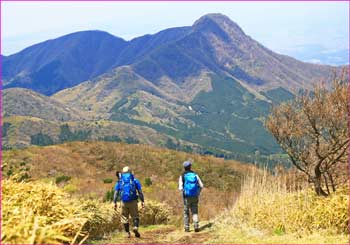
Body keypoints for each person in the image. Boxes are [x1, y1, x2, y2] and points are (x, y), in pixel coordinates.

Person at [114, 166, 145, 238]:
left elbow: (116, 193)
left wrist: (115, 202)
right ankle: (135, 227)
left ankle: (127, 233)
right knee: (135, 216)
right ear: (130, 172)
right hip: (133, 201)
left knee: (124, 218)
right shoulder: (134, 180)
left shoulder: (120, 181)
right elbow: (140, 192)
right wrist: (142, 201)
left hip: (123, 202)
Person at [178, 160, 204, 232]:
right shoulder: (195, 175)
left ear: (184, 167)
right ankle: (196, 226)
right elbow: (201, 185)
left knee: (186, 212)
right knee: (194, 211)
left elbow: (180, 188)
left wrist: (184, 191)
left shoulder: (182, 175)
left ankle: (187, 228)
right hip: (195, 196)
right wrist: (198, 192)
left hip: (186, 197)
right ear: (190, 167)